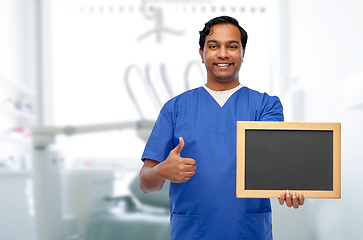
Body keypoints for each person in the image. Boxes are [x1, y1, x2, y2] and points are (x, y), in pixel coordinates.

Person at [139, 16, 304, 240]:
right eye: (214, 46)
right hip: (192, 232)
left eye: (232, 46)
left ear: (243, 53)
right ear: (202, 53)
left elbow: (274, 160)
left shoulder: (265, 105)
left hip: (248, 231)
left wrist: (289, 183)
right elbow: (146, 183)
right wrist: (161, 171)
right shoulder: (175, 108)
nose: (223, 53)